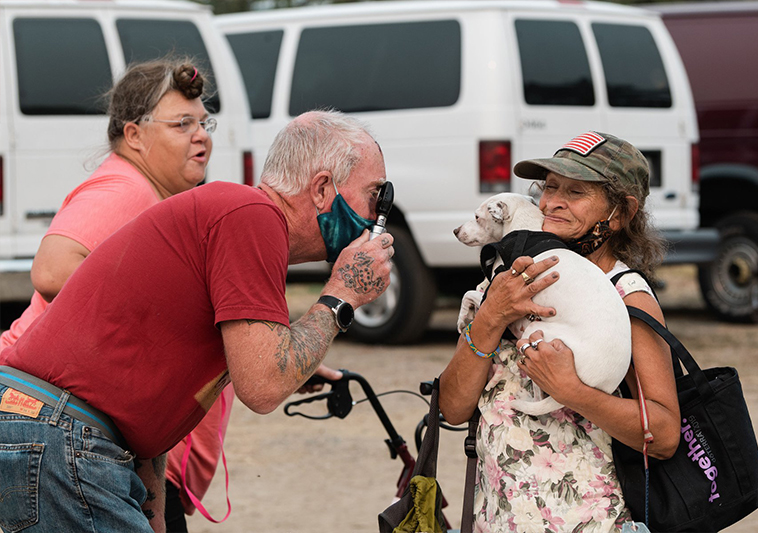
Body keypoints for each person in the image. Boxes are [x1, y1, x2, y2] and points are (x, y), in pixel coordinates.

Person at [0, 109, 393, 533]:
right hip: (59, 434)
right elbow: (262, 387)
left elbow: (145, 385)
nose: (378, 214)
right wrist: (344, 294)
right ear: (321, 188)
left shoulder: (236, 219)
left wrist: (152, 507)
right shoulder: (250, 216)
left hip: (48, 427)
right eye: (375, 195)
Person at [0, 57, 233, 532]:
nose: (201, 135)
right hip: (63, 431)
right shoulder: (125, 189)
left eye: (204, 122)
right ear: (135, 135)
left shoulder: (147, 194)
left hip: (79, 436)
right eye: (182, 123)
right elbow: (51, 270)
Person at [439, 132, 681, 532]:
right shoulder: (510, 281)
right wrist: (489, 319)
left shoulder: (626, 296)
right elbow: (452, 409)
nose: (552, 203)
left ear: (621, 213)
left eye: (576, 191)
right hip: (498, 520)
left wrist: (573, 392)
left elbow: (665, 432)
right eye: (550, 186)